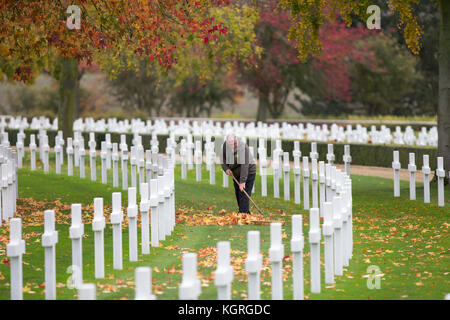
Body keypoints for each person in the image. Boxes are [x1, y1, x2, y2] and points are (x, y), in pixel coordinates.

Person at [220, 133, 256, 213]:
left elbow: (245, 165)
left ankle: (242, 213)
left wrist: (242, 181)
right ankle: (245, 212)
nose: (234, 145)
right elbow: (223, 159)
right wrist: (226, 169)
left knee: (244, 193)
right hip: (236, 173)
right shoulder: (226, 146)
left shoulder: (243, 147)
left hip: (249, 171)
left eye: (235, 143)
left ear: (236, 139)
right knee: (238, 194)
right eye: (231, 144)